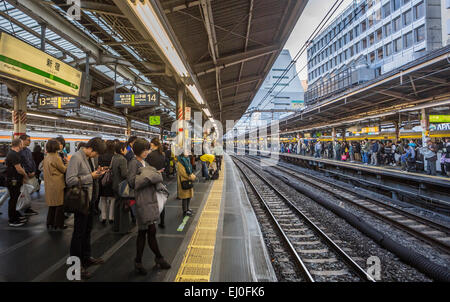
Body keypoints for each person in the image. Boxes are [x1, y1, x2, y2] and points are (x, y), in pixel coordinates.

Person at [128, 138, 171, 275]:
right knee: (147, 231)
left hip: (149, 200)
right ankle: (156, 258)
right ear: (138, 151)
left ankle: (140, 261)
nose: (147, 152)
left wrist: (154, 175)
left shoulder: (145, 162)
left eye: (148, 149)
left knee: (146, 231)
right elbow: (132, 182)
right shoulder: (133, 163)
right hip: (141, 202)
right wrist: (151, 177)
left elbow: (147, 176)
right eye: (145, 150)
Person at [66, 137, 107, 280]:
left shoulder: (91, 158)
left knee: (87, 230)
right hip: (81, 201)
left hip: (90, 200)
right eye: (96, 153)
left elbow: (89, 175)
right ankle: (76, 266)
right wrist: (91, 176)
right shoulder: (76, 158)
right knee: (78, 233)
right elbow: (70, 180)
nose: (97, 156)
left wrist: (98, 173)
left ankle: (86, 257)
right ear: (90, 149)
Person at [42, 139, 67, 230]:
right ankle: (58, 224)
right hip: (57, 183)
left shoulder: (46, 156)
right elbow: (64, 170)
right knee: (59, 205)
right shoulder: (56, 157)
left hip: (49, 183)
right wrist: (68, 164)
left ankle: (50, 222)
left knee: (52, 205)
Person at [5, 138, 28, 227]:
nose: (23, 145)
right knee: (13, 199)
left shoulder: (14, 154)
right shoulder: (13, 155)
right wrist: (25, 175)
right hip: (13, 181)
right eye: (22, 143)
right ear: (19, 144)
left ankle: (15, 215)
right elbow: (19, 169)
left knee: (15, 199)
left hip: (15, 180)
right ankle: (12, 219)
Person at [145, 137, 166, 229]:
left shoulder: (150, 155)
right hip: (160, 179)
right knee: (161, 199)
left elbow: (146, 168)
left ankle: (152, 221)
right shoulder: (163, 154)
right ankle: (162, 221)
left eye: (151, 145)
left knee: (152, 200)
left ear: (153, 145)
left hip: (151, 179)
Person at [111, 142, 130, 234]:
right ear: (122, 150)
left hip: (115, 185)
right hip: (121, 186)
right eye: (125, 148)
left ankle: (116, 226)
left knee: (117, 206)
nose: (127, 150)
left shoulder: (114, 158)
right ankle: (124, 228)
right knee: (124, 207)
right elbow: (124, 174)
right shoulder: (123, 159)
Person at [19, 135, 38, 216]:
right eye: (28, 140)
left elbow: (32, 161)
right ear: (22, 140)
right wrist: (26, 173)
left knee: (28, 192)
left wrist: (34, 171)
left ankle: (27, 208)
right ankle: (21, 209)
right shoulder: (19, 151)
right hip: (24, 176)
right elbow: (21, 164)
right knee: (22, 193)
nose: (30, 141)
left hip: (31, 174)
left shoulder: (28, 151)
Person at [98, 140, 115, 224]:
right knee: (112, 199)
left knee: (103, 199)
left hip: (103, 179)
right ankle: (111, 217)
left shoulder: (101, 156)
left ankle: (104, 217)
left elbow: (98, 166)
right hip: (111, 179)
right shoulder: (114, 156)